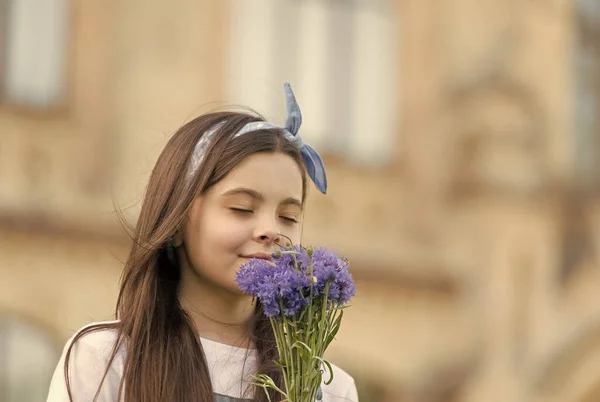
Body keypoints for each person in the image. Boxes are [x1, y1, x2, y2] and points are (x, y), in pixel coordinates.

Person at [46, 83, 359, 402]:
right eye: (242, 209)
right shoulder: (105, 360)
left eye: (288, 216)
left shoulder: (328, 389)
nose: (270, 230)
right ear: (178, 221)